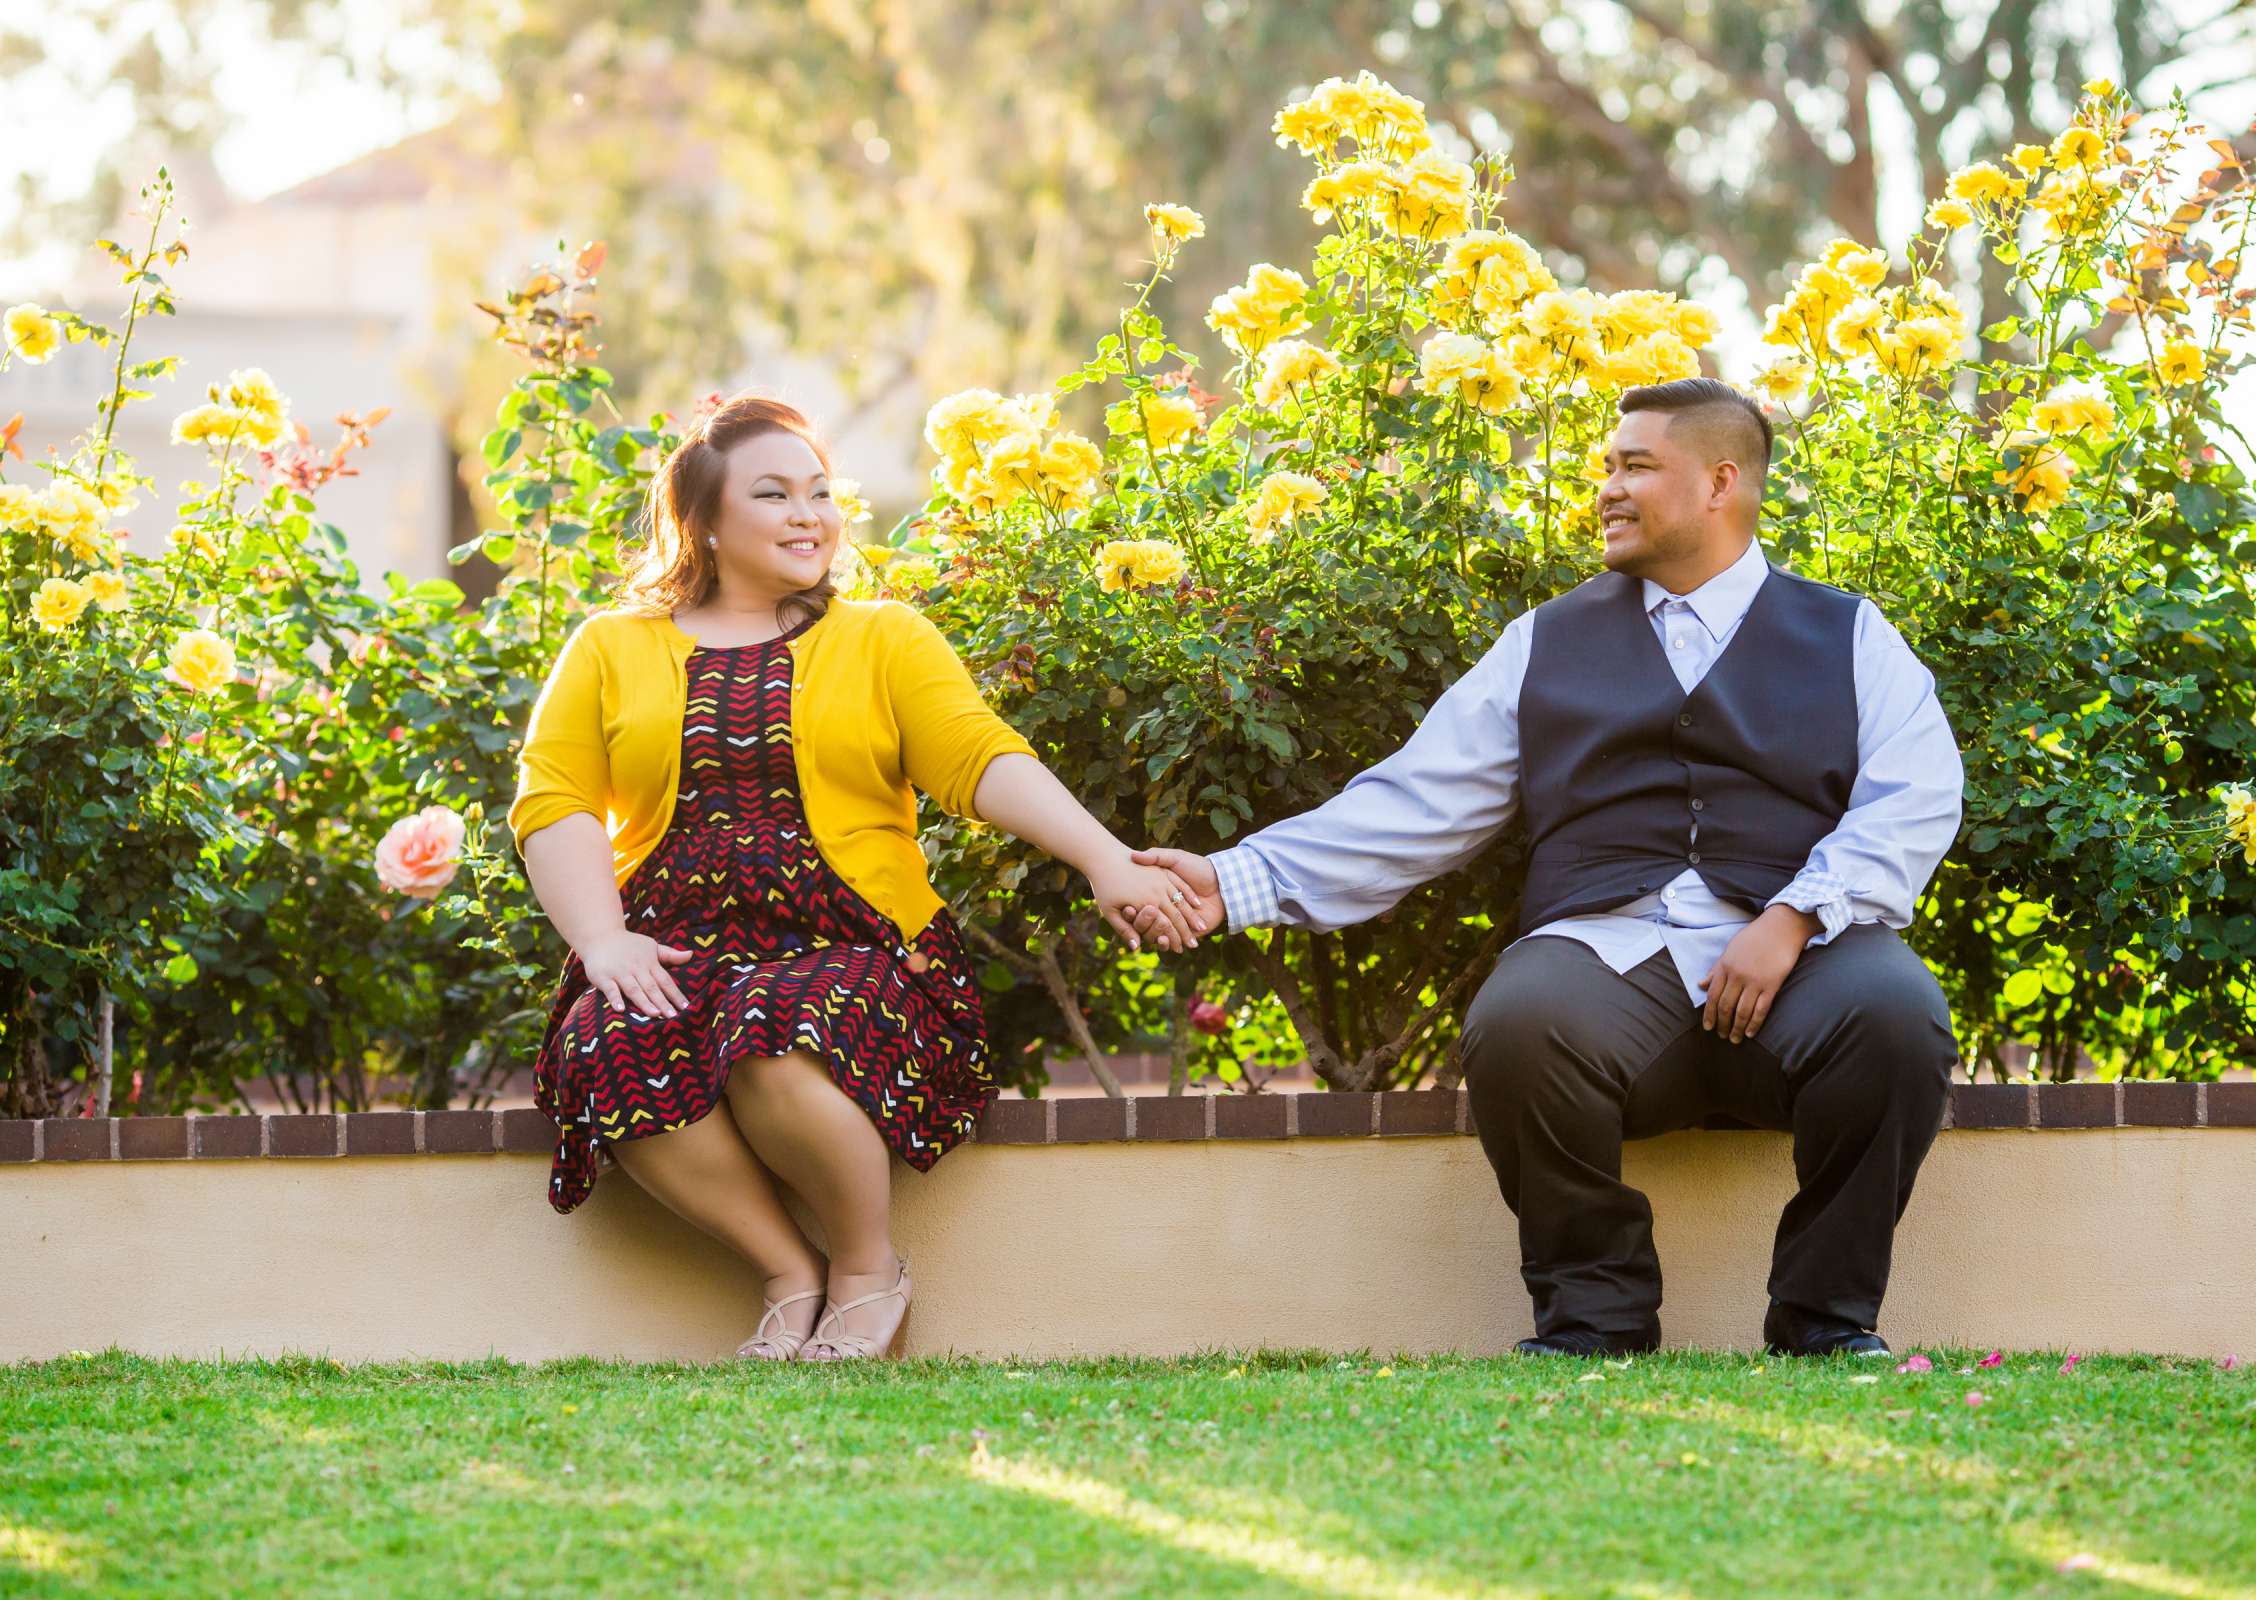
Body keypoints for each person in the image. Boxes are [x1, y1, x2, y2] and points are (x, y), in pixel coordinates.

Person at [1135, 377, 1964, 1357]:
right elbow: (1414, 805)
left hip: (1807, 956)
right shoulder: (1546, 642)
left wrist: (1791, 917)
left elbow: (1916, 796)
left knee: (1899, 1014)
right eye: (1606, 467)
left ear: (1721, 482)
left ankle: (1826, 1318)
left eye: (1636, 466)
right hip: (1605, 956)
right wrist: (1230, 882)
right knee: (1520, 1018)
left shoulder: (1850, 632)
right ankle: (1594, 1315)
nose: (1608, 487)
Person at [509, 394, 1203, 1362]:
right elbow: (555, 801)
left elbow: (978, 758)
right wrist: (602, 939)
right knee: (608, 1038)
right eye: (774, 493)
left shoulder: (885, 637)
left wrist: (1103, 858)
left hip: (855, 950)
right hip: (674, 945)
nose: (810, 514)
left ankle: (868, 1269)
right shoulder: (610, 647)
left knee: (769, 1024)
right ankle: (790, 1271)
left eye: (821, 492)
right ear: (704, 519)